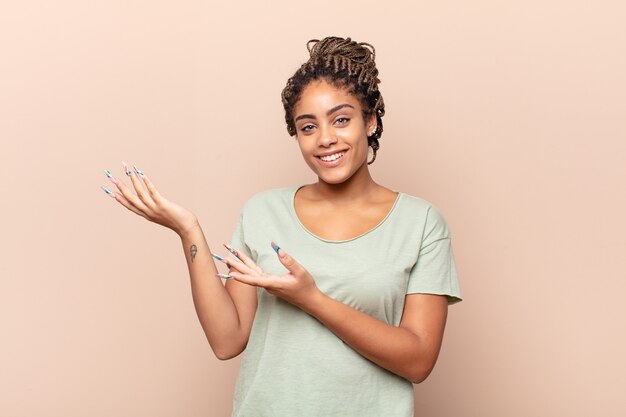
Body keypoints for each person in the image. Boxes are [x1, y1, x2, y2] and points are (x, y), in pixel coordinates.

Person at [102, 36, 462, 417]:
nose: (325, 139)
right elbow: (227, 340)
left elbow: (418, 360)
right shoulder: (263, 211)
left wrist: (312, 299)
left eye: (341, 120)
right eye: (307, 127)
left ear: (370, 121)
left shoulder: (421, 223)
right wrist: (188, 230)